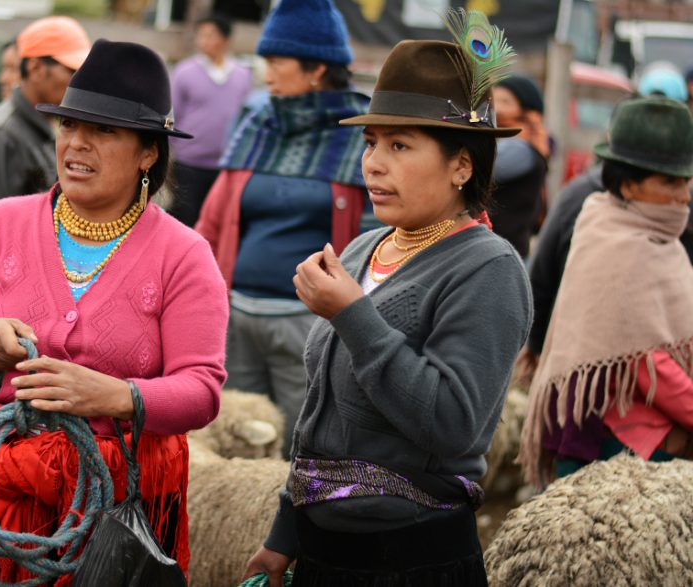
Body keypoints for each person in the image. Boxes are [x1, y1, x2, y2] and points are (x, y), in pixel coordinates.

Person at [0, 39, 228, 585]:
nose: (77, 143)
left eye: (104, 131)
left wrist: (114, 396)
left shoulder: (184, 255)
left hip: (113, 522)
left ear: (149, 152)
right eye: (69, 126)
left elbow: (202, 390)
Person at [242, 19, 532, 585]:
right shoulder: (361, 249)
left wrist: (352, 315)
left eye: (400, 145)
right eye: (372, 142)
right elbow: (319, 414)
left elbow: (451, 424)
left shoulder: (489, 269)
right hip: (323, 552)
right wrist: (285, 533)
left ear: (462, 165)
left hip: (412, 560)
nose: (373, 163)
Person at [196, 0, 371, 457]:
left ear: (316, 69)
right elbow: (214, 221)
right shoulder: (258, 123)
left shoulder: (360, 133)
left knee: (306, 441)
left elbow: (375, 234)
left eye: (277, 61)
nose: (265, 72)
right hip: (238, 319)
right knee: (237, 441)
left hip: (309, 326)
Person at [520, 97, 693, 489]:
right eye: (670, 182)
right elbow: (644, 362)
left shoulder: (651, 234)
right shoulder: (621, 243)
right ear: (629, 184)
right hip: (613, 447)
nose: (684, 195)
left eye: (686, 180)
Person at [0, 16, 90, 222]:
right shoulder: (2, 138)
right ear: (35, 68)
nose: (79, 83)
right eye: (72, 71)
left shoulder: (41, 127)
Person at [169, 14, 253, 226]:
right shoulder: (184, 72)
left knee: (218, 223)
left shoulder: (242, 75)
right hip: (188, 163)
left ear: (226, 40)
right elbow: (171, 114)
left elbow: (246, 117)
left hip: (226, 165)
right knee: (185, 220)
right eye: (201, 36)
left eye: (210, 35)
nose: (203, 41)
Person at [489, 74, 550, 258]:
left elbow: (480, 168)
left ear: (527, 108)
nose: (497, 108)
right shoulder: (497, 137)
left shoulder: (521, 146)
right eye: (494, 99)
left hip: (502, 252)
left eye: (506, 101)